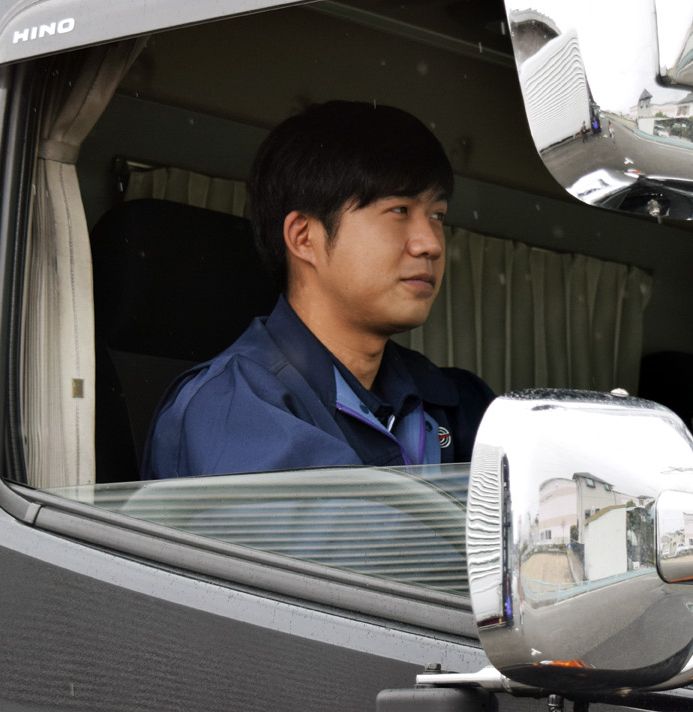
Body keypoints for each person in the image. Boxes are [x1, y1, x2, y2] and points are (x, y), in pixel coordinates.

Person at [141, 101, 494, 479]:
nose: (431, 244)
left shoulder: (455, 403)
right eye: (399, 210)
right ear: (304, 238)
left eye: (437, 215)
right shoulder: (232, 406)